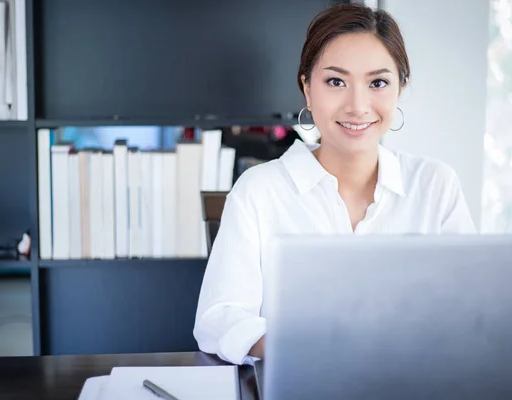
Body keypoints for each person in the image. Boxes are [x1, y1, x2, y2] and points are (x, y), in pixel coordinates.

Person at [193, 3, 476, 366]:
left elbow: (470, 312)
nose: (358, 106)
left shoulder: (436, 185)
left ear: (400, 89)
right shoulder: (258, 191)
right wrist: (307, 347)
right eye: (336, 81)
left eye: (378, 83)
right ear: (307, 89)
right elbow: (219, 319)